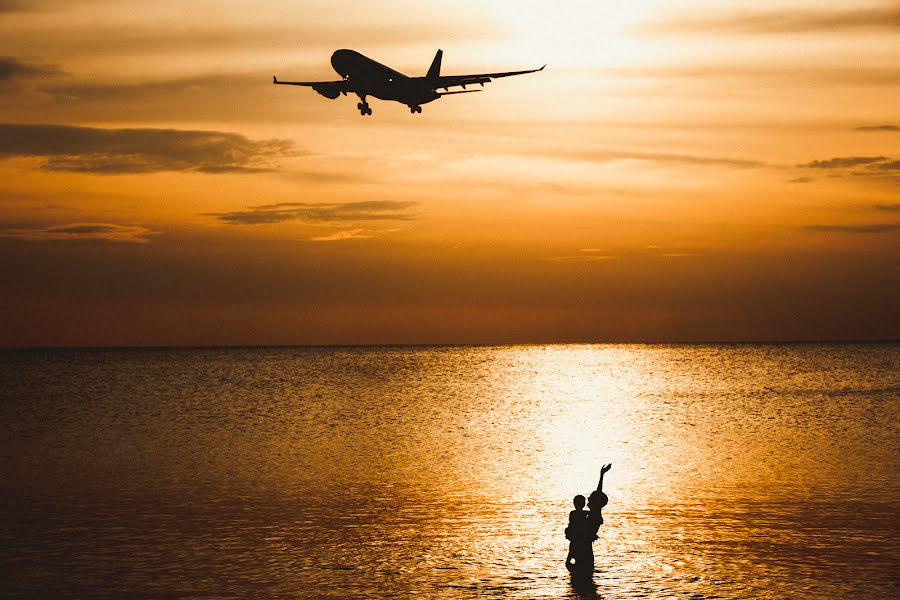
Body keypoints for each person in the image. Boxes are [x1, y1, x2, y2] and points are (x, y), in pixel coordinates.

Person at [565, 463, 612, 572]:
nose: (588, 498)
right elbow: (598, 494)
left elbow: (598, 494)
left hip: (583, 551)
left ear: (595, 502)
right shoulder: (591, 514)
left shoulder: (594, 515)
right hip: (582, 550)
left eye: (590, 498)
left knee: (580, 578)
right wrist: (601, 475)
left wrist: (602, 476)